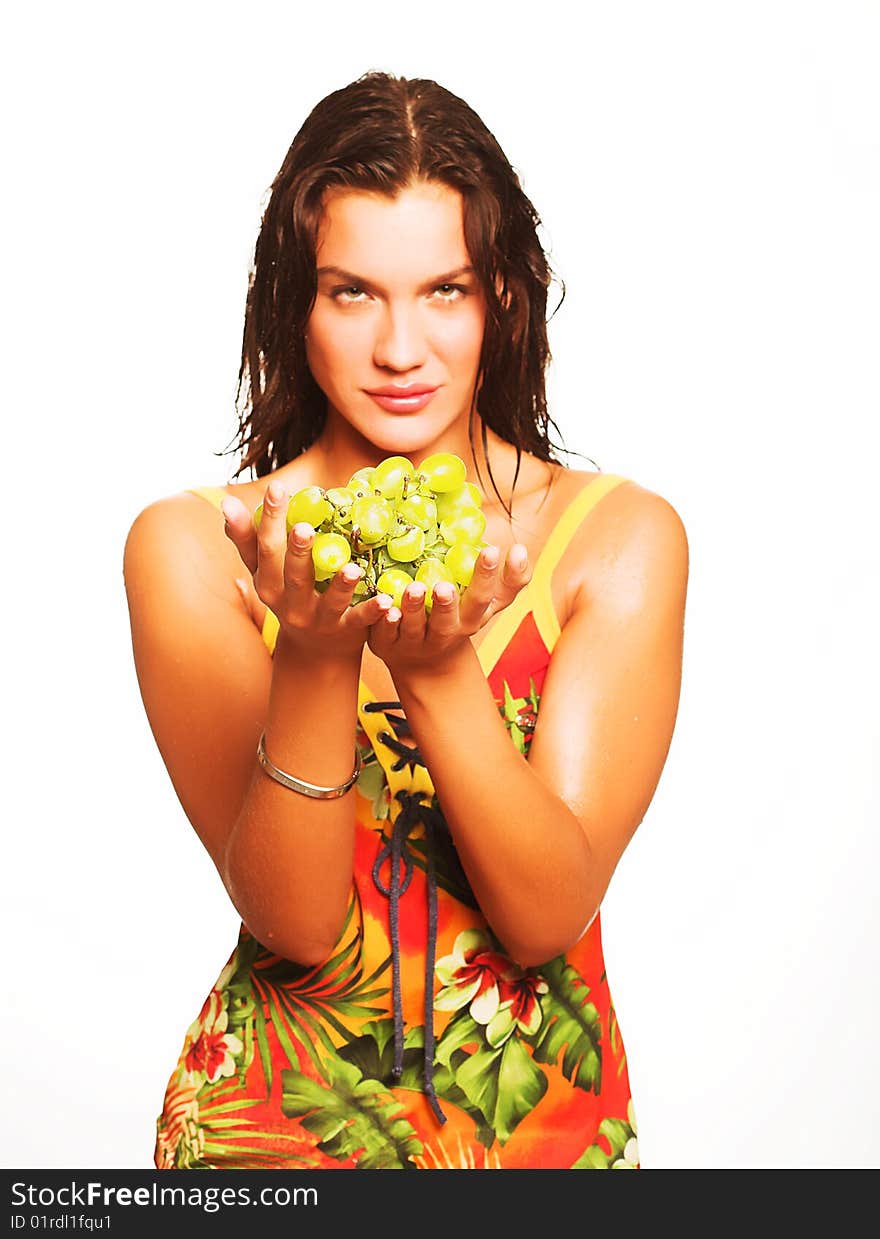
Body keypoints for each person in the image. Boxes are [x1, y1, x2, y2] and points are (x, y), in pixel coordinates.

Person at [123, 70, 689, 1171]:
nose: (398, 349)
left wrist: (435, 677)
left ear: (504, 300)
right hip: (272, 1143)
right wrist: (321, 654)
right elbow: (294, 926)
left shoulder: (614, 537)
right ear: (293, 300)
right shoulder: (201, 547)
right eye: (351, 292)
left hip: (541, 1145)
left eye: (444, 291)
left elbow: (543, 918)